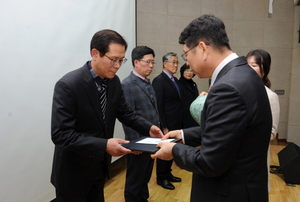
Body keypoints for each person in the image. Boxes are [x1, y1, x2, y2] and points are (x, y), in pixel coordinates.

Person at [151, 14, 272, 202]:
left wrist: (173, 151)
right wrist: (184, 135)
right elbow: (229, 133)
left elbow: (210, 161)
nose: (187, 62)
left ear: (202, 48)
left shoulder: (227, 87)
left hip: (229, 193)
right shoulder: (244, 74)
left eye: (186, 54)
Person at [50, 29, 163, 202]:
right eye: (113, 60)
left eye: (121, 60)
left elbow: (125, 113)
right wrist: (104, 145)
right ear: (95, 54)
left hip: (99, 167)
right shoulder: (69, 85)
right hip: (73, 172)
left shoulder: (113, 82)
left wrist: (148, 127)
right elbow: (61, 134)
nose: (117, 66)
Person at [121, 46, 161, 202]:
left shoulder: (146, 82)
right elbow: (128, 116)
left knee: (145, 175)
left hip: (151, 139)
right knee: (135, 179)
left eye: (153, 62)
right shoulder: (128, 84)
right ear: (136, 62)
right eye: (148, 62)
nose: (151, 65)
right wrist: (134, 144)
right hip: (139, 142)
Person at [246, 49, 280, 192]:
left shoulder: (270, 96)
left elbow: (271, 132)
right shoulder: (240, 91)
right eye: (246, 64)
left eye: (254, 65)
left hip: (255, 156)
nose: (248, 68)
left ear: (263, 70)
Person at [152, 52, 182, 190]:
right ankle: (161, 178)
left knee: (172, 149)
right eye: (173, 62)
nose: (175, 65)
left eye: (177, 62)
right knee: (164, 150)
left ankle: (168, 173)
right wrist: (164, 126)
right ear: (165, 63)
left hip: (176, 122)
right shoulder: (159, 80)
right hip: (167, 124)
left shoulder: (174, 80)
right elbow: (159, 106)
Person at [178, 64, 199, 128]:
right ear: (182, 71)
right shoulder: (179, 83)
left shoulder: (193, 84)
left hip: (193, 114)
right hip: (183, 116)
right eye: (187, 70)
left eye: (191, 71)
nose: (189, 73)